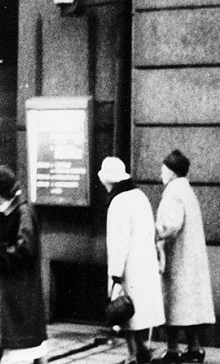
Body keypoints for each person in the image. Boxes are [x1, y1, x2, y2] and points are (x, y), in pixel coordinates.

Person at [0, 165, 48, 364]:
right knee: (0, 339)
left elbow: (25, 248)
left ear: (2, 192)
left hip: (18, 289)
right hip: (5, 288)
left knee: (16, 341)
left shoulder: (23, 213)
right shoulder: (3, 212)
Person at [97, 156, 164, 364]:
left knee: (124, 312)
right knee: (137, 313)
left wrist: (115, 276)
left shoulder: (118, 202)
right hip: (144, 264)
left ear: (109, 180)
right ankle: (141, 350)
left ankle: (133, 355)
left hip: (128, 268)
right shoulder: (139, 196)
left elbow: (118, 243)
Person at [154, 150, 215, 364]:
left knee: (173, 306)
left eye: (163, 170)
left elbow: (170, 225)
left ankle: (172, 351)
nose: (161, 174)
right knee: (189, 308)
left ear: (172, 172)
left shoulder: (173, 193)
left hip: (177, 259)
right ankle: (195, 348)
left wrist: (155, 231)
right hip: (190, 260)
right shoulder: (187, 191)